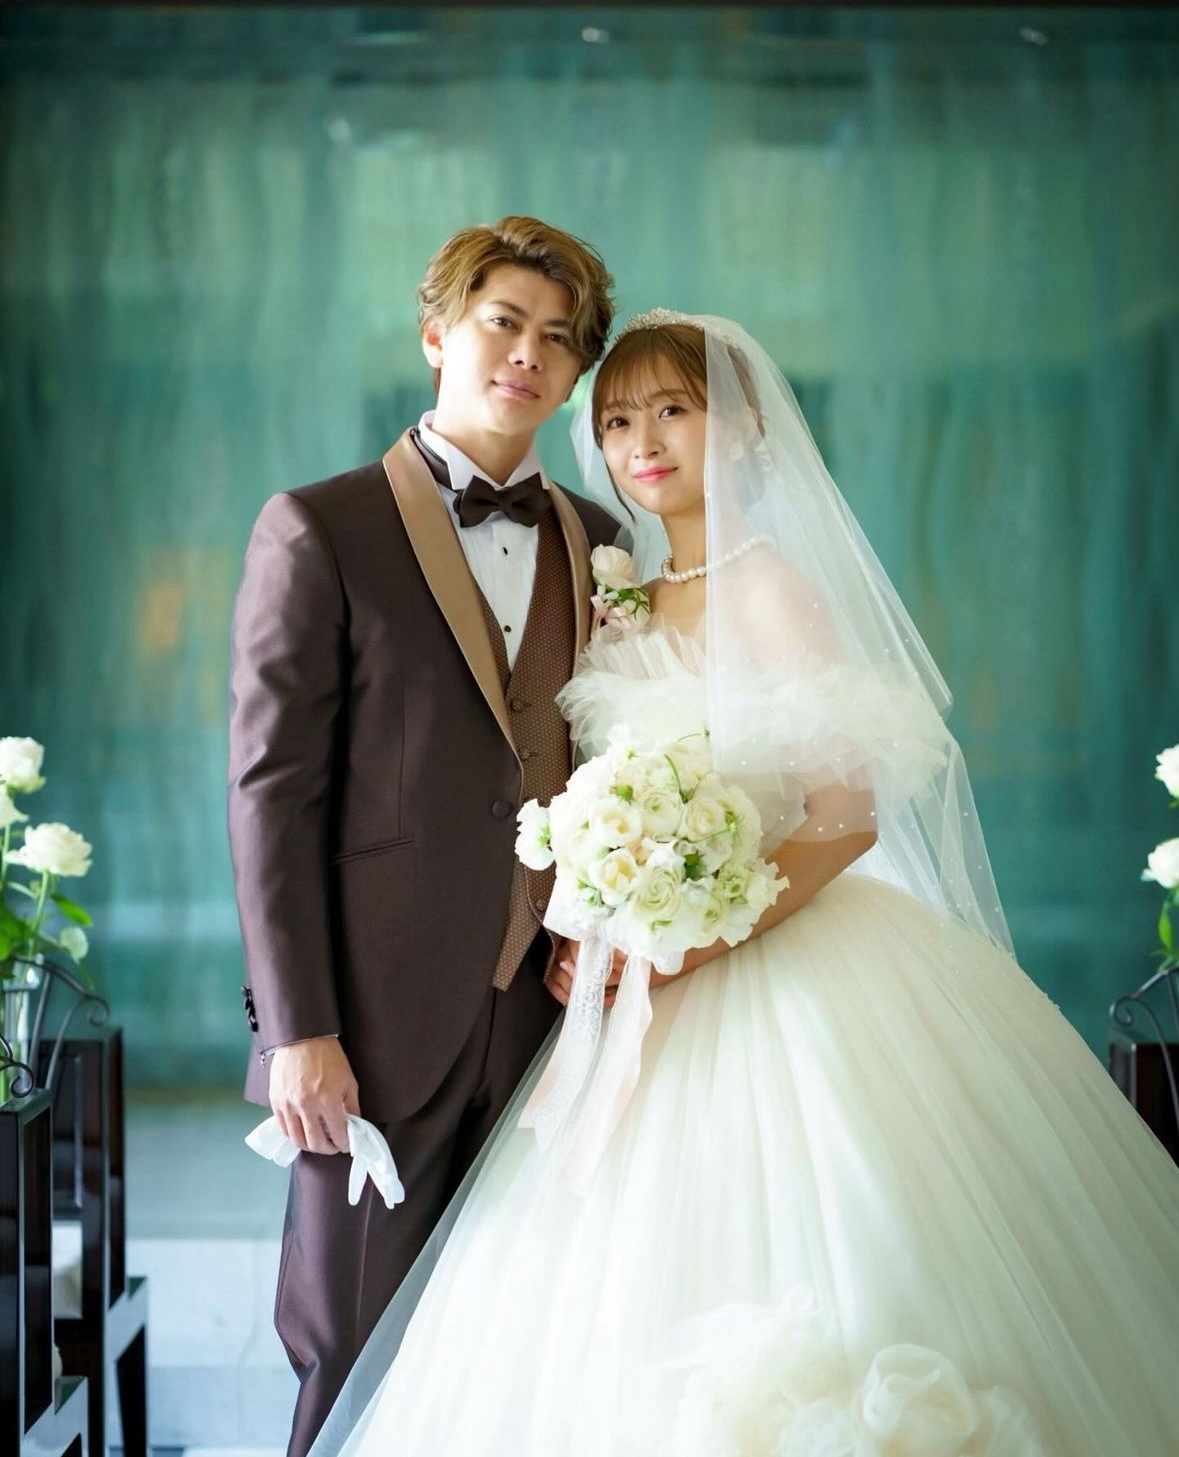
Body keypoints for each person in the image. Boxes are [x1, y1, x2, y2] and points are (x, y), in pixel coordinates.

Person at [303, 312, 1179, 1457]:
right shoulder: (624, 593)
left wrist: (698, 935)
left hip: (783, 953)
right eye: (619, 420)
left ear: (747, 426)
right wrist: (599, 919)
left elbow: (847, 815)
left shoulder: (771, 589)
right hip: (643, 975)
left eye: (674, 410)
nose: (642, 443)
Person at [226, 215, 623, 1456]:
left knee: (531, 1355)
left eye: (558, 337)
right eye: (504, 322)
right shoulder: (319, 527)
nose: (529, 354)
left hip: (547, 1018)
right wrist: (298, 1029)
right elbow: (271, 795)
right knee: (350, 1347)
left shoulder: (602, 543)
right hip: (369, 1026)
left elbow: (618, 766)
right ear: (438, 332)